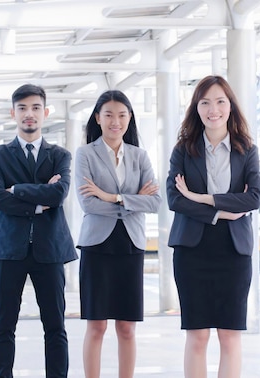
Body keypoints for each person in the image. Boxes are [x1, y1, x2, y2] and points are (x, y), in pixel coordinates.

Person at [166, 75, 260, 378]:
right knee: (197, 336)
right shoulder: (183, 149)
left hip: (233, 251)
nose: (213, 109)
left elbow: (254, 198)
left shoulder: (247, 149)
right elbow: (174, 199)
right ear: (196, 108)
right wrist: (220, 212)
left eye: (220, 101)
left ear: (230, 107)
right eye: (205, 102)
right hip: (192, 251)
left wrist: (201, 197)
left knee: (230, 335)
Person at [0, 84, 77, 377]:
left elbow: (58, 195)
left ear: (45, 113)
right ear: (13, 113)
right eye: (22, 108)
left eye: (35, 108)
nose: (29, 114)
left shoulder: (59, 155)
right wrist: (38, 201)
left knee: (55, 326)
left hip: (49, 249)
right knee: (3, 327)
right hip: (8, 250)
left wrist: (18, 190)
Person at [74, 90, 161, 378]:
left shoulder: (139, 156)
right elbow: (88, 203)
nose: (116, 121)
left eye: (122, 115)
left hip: (131, 245)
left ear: (129, 118)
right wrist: (133, 199)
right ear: (98, 118)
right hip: (97, 245)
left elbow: (156, 202)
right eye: (109, 114)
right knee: (96, 325)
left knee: (127, 327)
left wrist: (113, 198)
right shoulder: (85, 154)